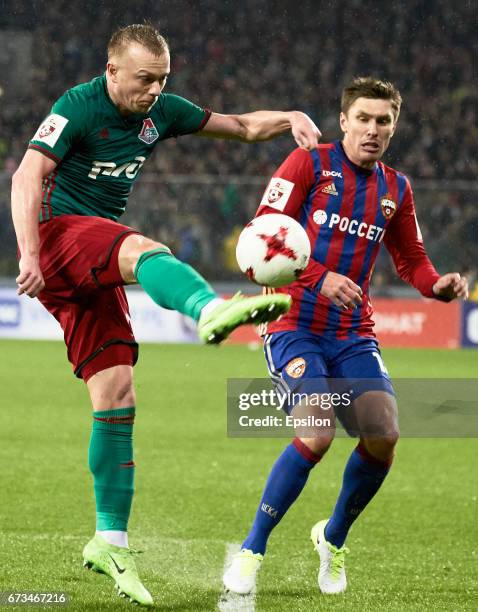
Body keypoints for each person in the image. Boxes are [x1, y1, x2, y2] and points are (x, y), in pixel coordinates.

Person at [10, 24, 322, 608]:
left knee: (117, 393)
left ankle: (109, 541)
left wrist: (289, 117)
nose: (153, 90)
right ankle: (207, 309)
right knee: (146, 250)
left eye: (162, 79)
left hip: (90, 268)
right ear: (111, 72)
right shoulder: (77, 105)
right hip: (60, 239)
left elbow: (242, 127)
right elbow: (28, 173)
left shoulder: (164, 112)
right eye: (143, 79)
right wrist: (29, 251)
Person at [223, 76, 468, 596]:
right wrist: (318, 277)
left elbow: (411, 260)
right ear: (343, 121)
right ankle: (251, 550)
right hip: (293, 323)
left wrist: (437, 286)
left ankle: (331, 539)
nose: (373, 130)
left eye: (383, 121)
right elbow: (258, 238)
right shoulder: (307, 165)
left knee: (384, 436)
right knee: (317, 431)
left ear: (394, 127)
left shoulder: (397, 189)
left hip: (353, 332)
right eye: (364, 118)